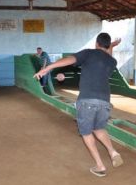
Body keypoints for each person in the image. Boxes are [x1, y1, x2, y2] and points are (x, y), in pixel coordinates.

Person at [34, 33, 123, 177]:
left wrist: (48, 68)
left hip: (87, 100)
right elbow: (107, 55)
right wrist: (111, 46)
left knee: (86, 133)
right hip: (105, 101)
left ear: (96, 43)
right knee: (99, 129)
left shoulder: (89, 53)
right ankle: (113, 152)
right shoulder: (112, 61)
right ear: (108, 46)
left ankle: (100, 166)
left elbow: (70, 59)